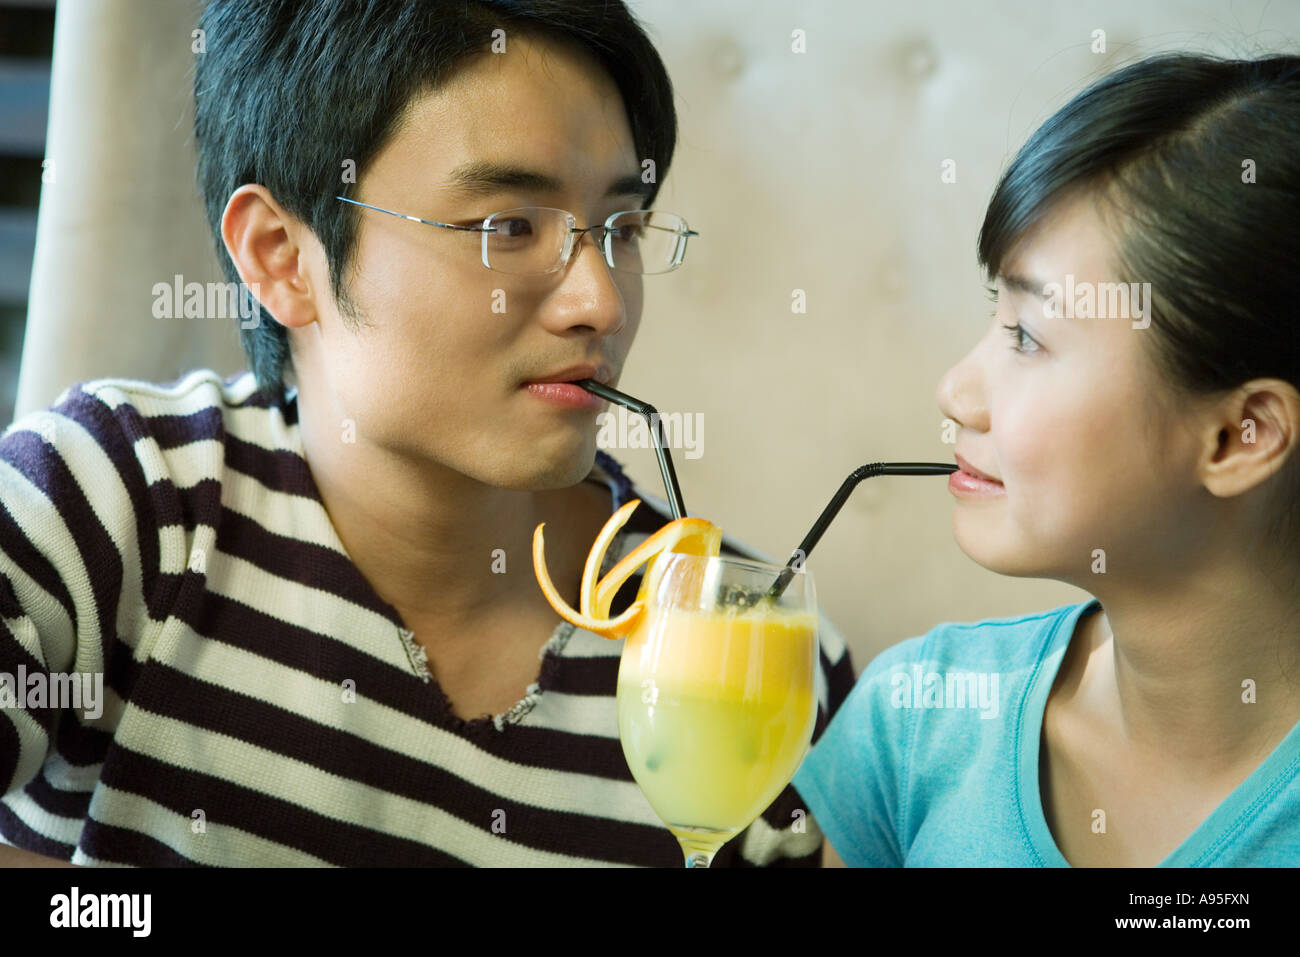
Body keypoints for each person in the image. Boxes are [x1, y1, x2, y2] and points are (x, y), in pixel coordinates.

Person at [0, 0, 854, 867]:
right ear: (281, 256)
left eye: (621, 229)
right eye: (509, 227)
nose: (602, 301)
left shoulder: (760, 656)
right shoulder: (112, 500)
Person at [797, 52, 1300, 867]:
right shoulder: (919, 718)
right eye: (995, 316)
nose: (956, 391)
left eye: (1028, 336)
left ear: (1240, 436)